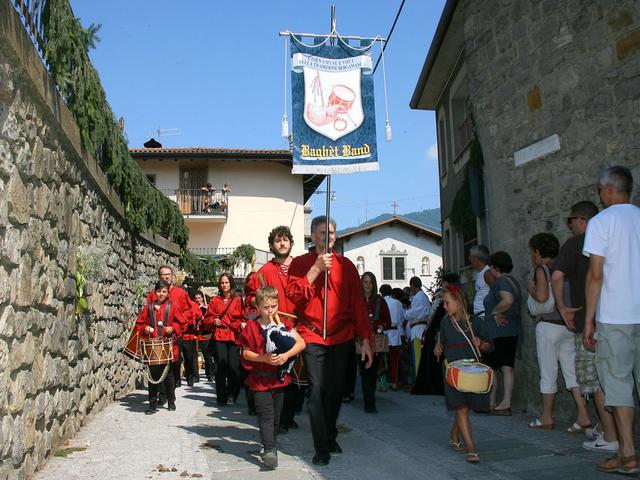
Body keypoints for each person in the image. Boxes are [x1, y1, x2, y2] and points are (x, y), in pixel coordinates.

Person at [286, 215, 373, 466]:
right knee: (316, 391)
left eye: (332, 233)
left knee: (336, 391)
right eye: (323, 232)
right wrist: (315, 269)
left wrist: (365, 338)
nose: (328, 237)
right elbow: (293, 296)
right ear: (313, 236)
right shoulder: (301, 263)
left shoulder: (346, 266)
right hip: (313, 335)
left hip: (342, 336)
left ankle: (331, 432)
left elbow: (358, 305)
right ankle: (321, 445)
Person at [583, 166, 640, 475]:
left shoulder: (601, 222)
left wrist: (589, 320)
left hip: (616, 316)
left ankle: (628, 453)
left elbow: (595, 275)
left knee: (618, 387)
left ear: (607, 190)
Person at [551, 201, 618, 451]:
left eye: (571, 221)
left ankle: (611, 437)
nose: (570, 226)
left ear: (581, 220)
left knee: (594, 378)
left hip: (587, 321)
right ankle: (606, 428)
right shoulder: (613, 239)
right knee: (617, 377)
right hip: (618, 317)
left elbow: (557, 277)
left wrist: (562, 307)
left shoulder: (576, 244)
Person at [526, 233, 591, 431]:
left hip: (548, 326)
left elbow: (542, 296)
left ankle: (547, 416)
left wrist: (531, 288)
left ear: (538, 252)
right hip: (567, 326)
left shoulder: (542, 270)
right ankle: (583, 415)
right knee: (572, 372)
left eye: (532, 252)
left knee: (548, 372)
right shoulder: (565, 268)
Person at [239, 286, 305, 469]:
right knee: (266, 415)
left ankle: (271, 444)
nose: (270, 311)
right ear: (258, 307)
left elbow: (301, 343)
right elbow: (245, 353)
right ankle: (269, 450)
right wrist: (263, 358)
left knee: (276, 417)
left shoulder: (284, 324)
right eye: (266, 307)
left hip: (279, 378)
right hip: (259, 379)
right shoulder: (252, 327)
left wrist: (286, 355)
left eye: (273, 306)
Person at [246, 226, 301, 433]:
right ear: (272, 245)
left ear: (291, 243)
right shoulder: (263, 273)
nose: (282, 244)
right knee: (280, 370)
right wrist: (264, 307)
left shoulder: (301, 266)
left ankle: (290, 415)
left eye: (286, 240)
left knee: (297, 374)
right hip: (275, 327)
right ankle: (279, 419)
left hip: (299, 325)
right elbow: (251, 296)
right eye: (278, 241)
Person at [434, 284, 493, 463]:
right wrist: (437, 349)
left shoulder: (476, 323)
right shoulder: (445, 322)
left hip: (472, 372)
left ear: (459, 302)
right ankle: (471, 448)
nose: (444, 306)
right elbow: (440, 344)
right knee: (462, 408)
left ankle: (454, 435)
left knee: (464, 407)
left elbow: (490, 346)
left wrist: (482, 344)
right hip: (453, 371)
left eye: (447, 302)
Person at [136, 280, 186, 414]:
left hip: (168, 346)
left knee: (169, 376)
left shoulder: (173, 306)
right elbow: (139, 324)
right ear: (155, 292)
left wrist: (172, 328)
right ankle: (152, 404)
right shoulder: (149, 307)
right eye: (159, 291)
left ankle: (171, 400)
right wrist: (145, 328)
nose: (161, 294)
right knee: (152, 376)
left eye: (164, 291)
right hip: (153, 346)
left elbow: (182, 324)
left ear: (168, 292)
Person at [483, 251, 521, 415]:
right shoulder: (513, 281)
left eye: (490, 266)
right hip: (510, 330)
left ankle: (496, 402)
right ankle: (503, 402)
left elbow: (508, 300)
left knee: (492, 367)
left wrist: (494, 312)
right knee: (507, 367)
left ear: (495, 267)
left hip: (499, 332)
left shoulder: (502, 282)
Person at [146, 266, 194, 396]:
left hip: (174, 334)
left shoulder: (181, 293)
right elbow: (147, 313)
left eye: (168, 274)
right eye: (163, 275)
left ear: (172, 275)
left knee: (173, 365)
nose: (166, 277)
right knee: (159, 364)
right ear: (159, 277)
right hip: (157, 337)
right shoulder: (153, 294)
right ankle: (162, 394)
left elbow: (190, 310)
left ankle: (169, 393)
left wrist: (176, 325)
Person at [413, 272, 459, 395]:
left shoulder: (447, 297)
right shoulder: (440, 296)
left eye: (444, 282)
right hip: (435, 329)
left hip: (439, 331)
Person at [203, 272, 245, 406]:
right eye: (222, 282)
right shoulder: (214, 300)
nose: (224, 285)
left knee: (233, 367)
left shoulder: (238, 300)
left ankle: (232, 394)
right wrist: (213, 321)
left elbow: (242, 318)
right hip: (219, 336)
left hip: (232, 336)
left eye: (226, 282)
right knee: (220, 367)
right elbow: (207, 319)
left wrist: (234, 325)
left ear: (231, 283)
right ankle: (221, 396)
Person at [359, 272, 391, 413]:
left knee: (372, 373)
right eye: (365, 282)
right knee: (363, 371)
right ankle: (368, 401)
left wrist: (381, 326)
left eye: (370, 282)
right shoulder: (357, 300)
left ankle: (370, 403)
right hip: (360, 341)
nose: (368, 285)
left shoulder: (380, 301)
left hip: (376, 341)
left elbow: (388, 320)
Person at [404, 277, 432, 384]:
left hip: (418, 329)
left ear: (412, 285)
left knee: (418, 358)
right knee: (420, 357)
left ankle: (419, 381)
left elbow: (414, 313)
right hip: (420, 328)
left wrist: (406, 313)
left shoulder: (418, 297)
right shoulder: (423, 297)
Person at [380, 284, 404, 391]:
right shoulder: (398, 303)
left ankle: (383, 383)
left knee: (382, 359)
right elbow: (401, 319)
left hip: (383, 332)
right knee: (394, 359)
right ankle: (394, 382)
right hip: (394, 332)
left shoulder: (380, 302)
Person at [469, 245, 495, 318]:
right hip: (480, 315)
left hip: (485, 315)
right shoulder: (479, 273)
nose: (469, 259)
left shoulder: (488, 272)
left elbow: (496, 292)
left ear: (476, 258)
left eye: (471, 257)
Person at [194, 292, 215, 382]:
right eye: (196, 298)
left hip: (211, 334)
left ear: (202, 298)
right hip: (202, 335)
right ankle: (209, 374)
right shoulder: (194, 308)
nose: (198, 300)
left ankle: (214, 372)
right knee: (206, 356)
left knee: (213, 356)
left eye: (199, 298)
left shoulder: (208, 307)